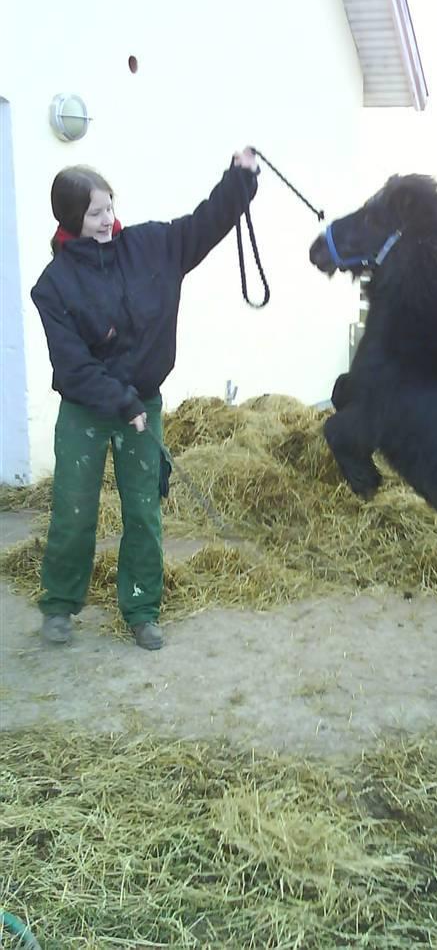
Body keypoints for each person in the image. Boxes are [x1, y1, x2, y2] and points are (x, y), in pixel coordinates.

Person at [31, 147, 260, 650]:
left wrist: (239, 180)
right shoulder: (54, 286)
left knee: (143, 511)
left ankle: (140, 607)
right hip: (86, 412)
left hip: (142, 403)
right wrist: (122, 401)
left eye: (109, 206)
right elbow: (73, 366)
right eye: (94, 212)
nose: (106, 218)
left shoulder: (150, 246)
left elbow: (204, 224)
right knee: (73, 510)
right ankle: (60, 604)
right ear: (71, 217)